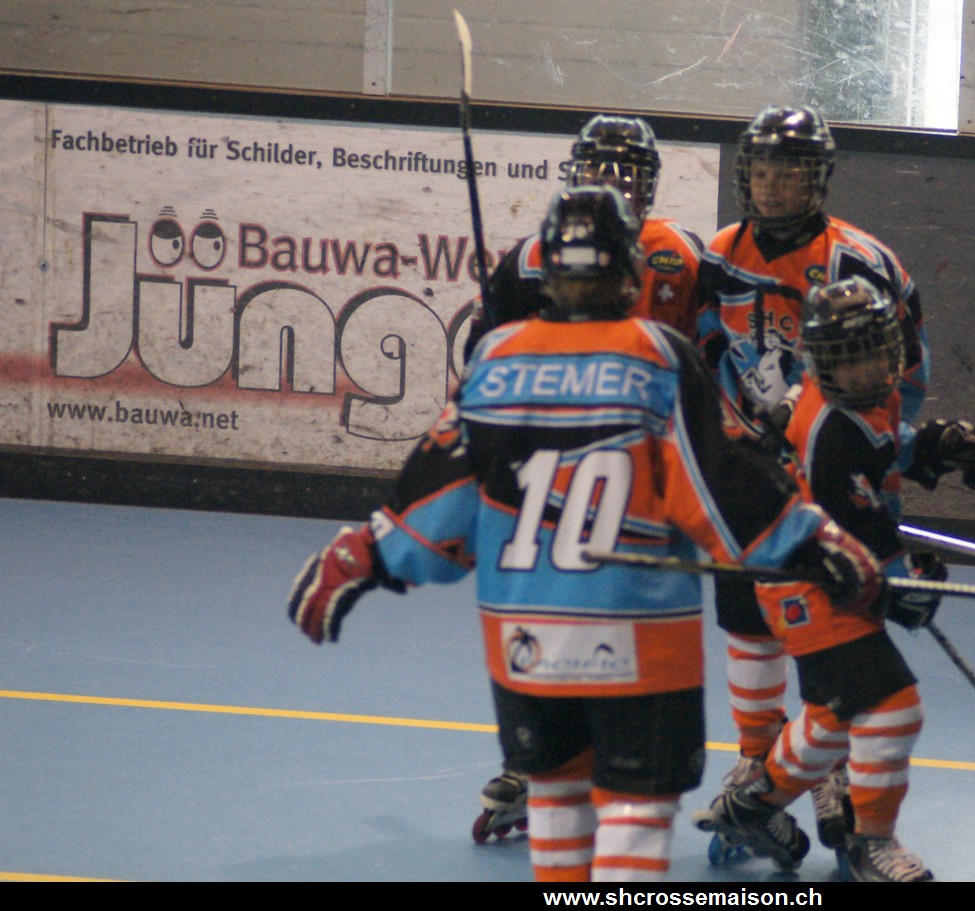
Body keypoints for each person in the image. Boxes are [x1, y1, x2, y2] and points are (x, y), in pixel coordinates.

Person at [286, 185, 887, 883]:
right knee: (635, 809)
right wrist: (815, 544)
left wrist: (362, 555)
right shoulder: (657, 353)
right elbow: (718, 484)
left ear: (549, 273)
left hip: (524, 642)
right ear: (629, 273)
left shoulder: (498, 355)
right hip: (637, 639)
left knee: (556, 798)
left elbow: (440, 496)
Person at [700, 276, 975, 881]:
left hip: (828, 573)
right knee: (894, 708)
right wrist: (907, 584)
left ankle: (751, 806)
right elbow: (862, 533)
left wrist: (938, 445)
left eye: (876, 353)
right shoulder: (826, 430)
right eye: (849, 359)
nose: (867, 370)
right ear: (821, 362)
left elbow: (887, 447)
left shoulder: (865, 399)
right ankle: (871, 844)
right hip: (808, 584)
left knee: (833, 720)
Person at [692, 104, 933, 847]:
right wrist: (728, 438)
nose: (772, 187)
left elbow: (903, 371)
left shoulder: (860, 263)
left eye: (789, 173)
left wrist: (882, 448)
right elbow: (703, 346)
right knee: (747, 619)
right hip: (748, 474)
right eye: (761, 171)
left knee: (835, 628)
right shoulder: (720, 253)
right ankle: (758, 762)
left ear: (818, 179)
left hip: (825, 473)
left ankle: (828, 766)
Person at [465, 113, 707, 841]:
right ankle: (550, 760)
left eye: (627, 172)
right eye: (600, 169)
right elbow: (482, 357)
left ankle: (613, 764)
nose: (612, 183)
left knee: (621, 613)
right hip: (555, 467)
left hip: (644, 470)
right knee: (555, 604)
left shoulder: (681, 254)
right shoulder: (529, 258)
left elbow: (715, 351)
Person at [466, 113, 704, 353]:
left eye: (624, 182)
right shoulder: (529, 257)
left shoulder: (679, 251)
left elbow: (705, 349)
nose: (607, 193)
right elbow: (482, 348)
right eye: (595, 178)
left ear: (647, 186)